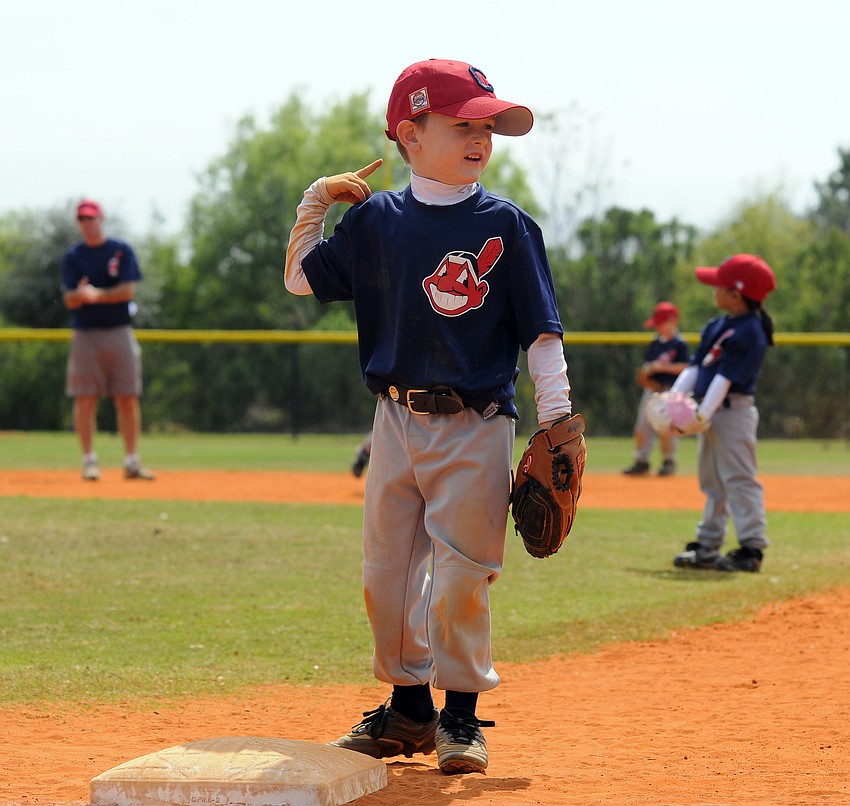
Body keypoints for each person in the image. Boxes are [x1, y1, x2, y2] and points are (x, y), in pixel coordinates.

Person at [284, 59, 574, 774]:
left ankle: (462, 718)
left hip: (476, 424)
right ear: (409, 133)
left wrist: (558, 416)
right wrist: (315, 203)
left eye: (487, 128)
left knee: (460, 578)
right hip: (394, 421)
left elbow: (541, 330)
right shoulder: (377, 220)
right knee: (385, 575)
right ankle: (408, 708)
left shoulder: (506, 224)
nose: (481, 138)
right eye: (463, 124)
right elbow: (300, 278)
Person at [669, 254, 776, 573]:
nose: (714, 290)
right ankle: (708, 544)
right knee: (712, 480)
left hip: (733, 413)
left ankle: (751, 547)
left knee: (739, 479)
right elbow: (697, 367)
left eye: (720, 286)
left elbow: (725, 378)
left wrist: (700, 415)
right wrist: (673, 398)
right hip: (711, 410)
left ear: (736, 294)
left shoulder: (751, 331)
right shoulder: (718, 325)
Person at [61, 199, 154, 481]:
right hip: (85, 334)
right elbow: (69, 299)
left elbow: (127, 290)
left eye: (91, 218)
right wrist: (81, 295)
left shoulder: (120, 250)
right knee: (86, 398)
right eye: (82, 219)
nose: (86, 224)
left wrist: (96, 294)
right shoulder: (73, 256)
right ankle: (89, 460)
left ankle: (131, 461)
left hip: (119, 331)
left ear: (101, 219)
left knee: (127, 396)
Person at [622, 301, 690, 476]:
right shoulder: (656, 343)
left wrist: (661, 368)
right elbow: (647, 367)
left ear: (671, 321)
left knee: (667, 427)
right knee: (643, 426)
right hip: (653, 390)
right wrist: (647, 377)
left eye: (660, 323)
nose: (658, 327)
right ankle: (641, 460)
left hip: (671, 391)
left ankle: (669, 461)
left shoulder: (679, 344)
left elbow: (686, 367)